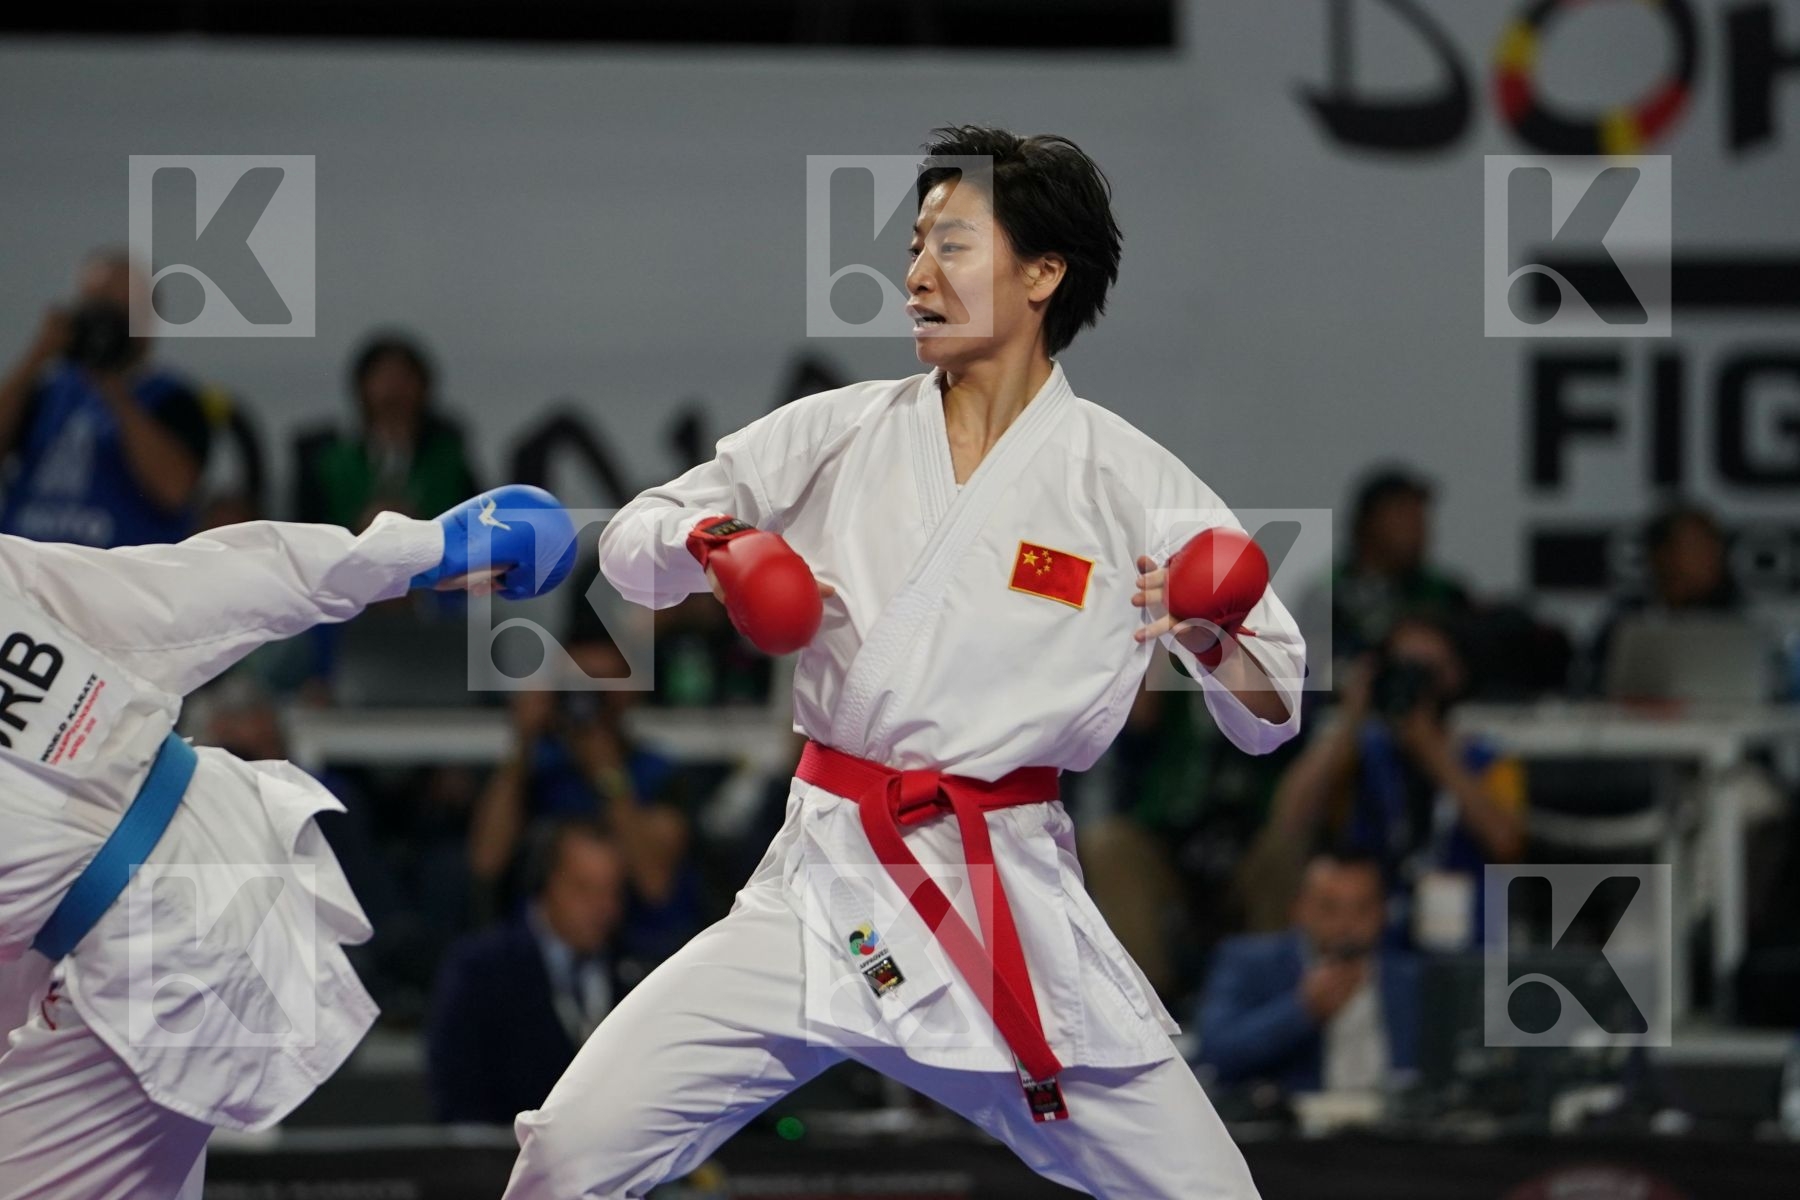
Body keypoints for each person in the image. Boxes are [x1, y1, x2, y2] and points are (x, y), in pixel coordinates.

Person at [504, 125, 1306, 1200]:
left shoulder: (1125, 479)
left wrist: (1209, 637)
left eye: (953, 245)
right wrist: (719, 547)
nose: (916, 274)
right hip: (827, 882)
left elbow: (1274, 706)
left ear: (1043, 273)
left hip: (1001, 897)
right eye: (915, 246)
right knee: (570, 1150)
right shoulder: (840, 432)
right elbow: (631, 547)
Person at [0, 485, 576, 1198]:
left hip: (163, 943)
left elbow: (181, 599)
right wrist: (417, 552)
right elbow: (190, 593)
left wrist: (412, 555)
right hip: (207, 869)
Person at [1242, 614, 1525, 944]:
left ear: (1455, 676)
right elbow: (1290, 817)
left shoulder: (1486, 758)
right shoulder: (1359, 750)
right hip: (1364, 921)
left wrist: (1430, 749)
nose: (1413, 683)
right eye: (1402, 668)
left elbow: (1508, 844)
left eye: (1426, 671)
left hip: (1457, 926)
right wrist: (1352, 717)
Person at [468, 580, 699, 965]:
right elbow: (485, 863)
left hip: (635, 953)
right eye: (575, 685)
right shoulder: (534, 768)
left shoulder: (658, 774)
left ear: (629, 691)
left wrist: (608, 774)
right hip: (537, 953)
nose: (586, 702)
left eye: (601, 688)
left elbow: (653, 881)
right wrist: (522, 743)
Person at [0, 249, 210, 548]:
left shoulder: (174, 399)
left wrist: (110, 383)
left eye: (117, 310)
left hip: (118, 574)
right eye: (93, 306)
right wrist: (37, 356)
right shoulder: (48, 392)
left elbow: (174, 491)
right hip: (31, 570)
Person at [429, 820, 632, 1125]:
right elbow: (458, 1096)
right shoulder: (481, 969)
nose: (603, 907)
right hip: (504, 1163)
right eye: (584, 888)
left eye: (612, 892)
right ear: (543, 884)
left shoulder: (636, 972)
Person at [1194, 851, 1419, 1093]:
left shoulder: (1411, 977)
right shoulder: (1248, 962)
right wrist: (1302, 1009)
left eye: (1362, 909)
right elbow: (1214, 1055)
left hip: (1393, 1125)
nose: (1347, 924)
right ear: (1300, 909)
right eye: (1330, 908)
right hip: (1289, 1126)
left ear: (1383, 912)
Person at [1296, 466, 1470, 682]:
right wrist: (1388, 648)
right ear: (1366, 524)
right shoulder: (1328, 596)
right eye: (1402, 515)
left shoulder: (1446, 592)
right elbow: (1316, 667)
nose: (1417, 527)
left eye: (1420, 516)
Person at [292, 331, 480, 532]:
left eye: (404, 378)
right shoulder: (330, 460)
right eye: (384, 377)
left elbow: (475, 525)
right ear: (362, 387)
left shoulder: (449, 457)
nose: (394, 389)